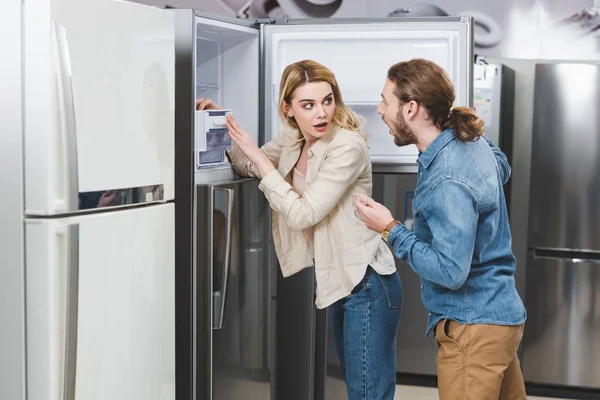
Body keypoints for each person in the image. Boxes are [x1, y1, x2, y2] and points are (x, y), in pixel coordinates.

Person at [197, 59, 402, 399]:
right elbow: (249, 165)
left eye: (327, 100)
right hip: (340, 282)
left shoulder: (346, 146)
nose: (321, 113)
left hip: (367, 282)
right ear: (289, 109)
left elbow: (303, 214)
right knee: (362, 391)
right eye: (308, 105)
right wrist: (222, 125)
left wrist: (259, 157)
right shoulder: (293, 141)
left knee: (367, 394)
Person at [355, 58, 527, 400]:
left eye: (386, 101)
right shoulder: (469, 143)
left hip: (473, 330)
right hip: (501, 319)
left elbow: (450, 271)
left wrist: (389, 229)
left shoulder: (447, 176)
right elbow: (503, 168)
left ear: (411, 109)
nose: (379, 110)